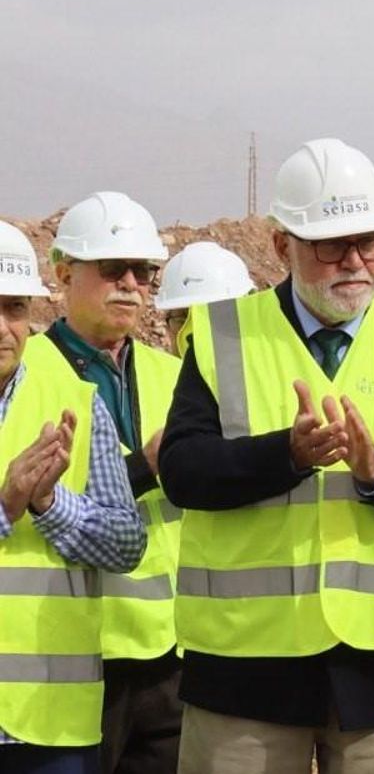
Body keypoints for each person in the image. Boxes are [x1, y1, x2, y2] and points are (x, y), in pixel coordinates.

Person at [159, 138, 374, 774]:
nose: (355, 262)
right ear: (278, 243)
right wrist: (284, 456)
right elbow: (182, 470)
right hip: (245, 673)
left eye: (370, 242)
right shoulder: (220, 335)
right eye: (331, 245)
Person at [42, 191, 185, 774]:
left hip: (170, 653)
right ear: (61, 272)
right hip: (73, 652)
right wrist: (145, 467)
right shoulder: (25, 374)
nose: (130, 284)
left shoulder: (175, 376)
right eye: (112, 269)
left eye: (143, 272)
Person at [0, 218, 146, 773]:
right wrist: (7, 503)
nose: (3, 327)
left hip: (50, 723)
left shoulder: (77, 404)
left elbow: (127, 543)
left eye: (15, 308)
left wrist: (51, 505)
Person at [154, 241, 254, 355]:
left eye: (212, 317)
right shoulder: (159, 371)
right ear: (168, 326)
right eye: (183, 319)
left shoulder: (263, 368)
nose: (193, 333)